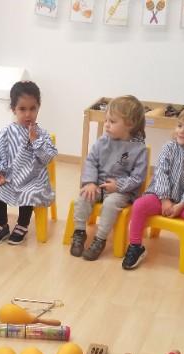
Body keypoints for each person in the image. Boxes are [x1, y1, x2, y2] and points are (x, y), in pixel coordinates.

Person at [121, 105, 184, 276]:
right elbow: (161, 173)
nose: (181, 131)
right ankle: (135, 245)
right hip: (160, 196)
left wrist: (181, 204)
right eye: (180, 126)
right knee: (139, 205)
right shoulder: (169, 147)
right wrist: (165, 199)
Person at [69, 95, 148, 260]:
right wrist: (90, 183)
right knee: (84, 196)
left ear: (130, 124)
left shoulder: (139, 149)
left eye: (112, 121)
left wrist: (118, 185)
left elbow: (138, 178)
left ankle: (100, 239)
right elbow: (91, 162)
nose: (106, 124)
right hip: (98, 185)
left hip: (121, 191)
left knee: (111, 204)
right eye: (106, 120)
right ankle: (79, 232)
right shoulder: (102, 141)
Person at [0, 81, 58, 245]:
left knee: (29, 193)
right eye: (22, 109)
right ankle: (1, 224)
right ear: (14, 109)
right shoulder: (6, 133)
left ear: (38, 108)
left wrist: (35, 141)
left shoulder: (42, 134)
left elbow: (48, 157)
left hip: (34, 179)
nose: (28, 114)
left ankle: (22, 225)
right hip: (10, 176)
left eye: (32, 109)